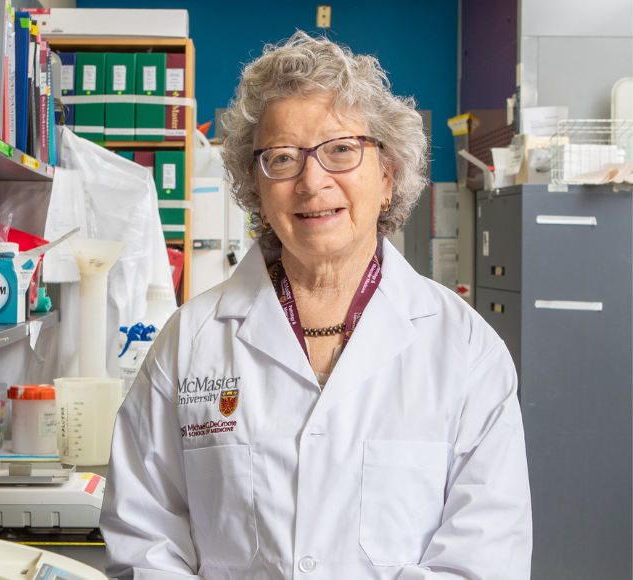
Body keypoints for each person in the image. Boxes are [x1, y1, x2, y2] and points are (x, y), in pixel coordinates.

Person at [100, 32, 531, 580]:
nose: (312, 181)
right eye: (282, 158)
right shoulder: (190, 342)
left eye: (341, 150)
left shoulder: (466, 351)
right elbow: (144, 539)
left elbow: (485, 559)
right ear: (256, 187)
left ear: (388, 173)